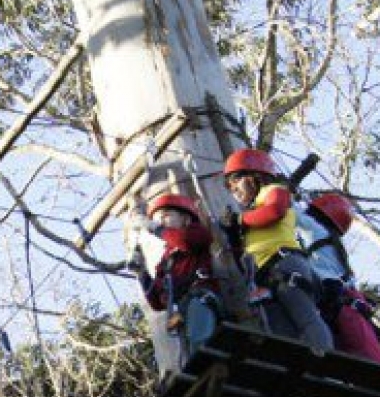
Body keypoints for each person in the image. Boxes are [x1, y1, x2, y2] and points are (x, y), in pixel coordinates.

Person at [221, 148, 333, 351]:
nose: (233, 188)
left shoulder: (274, 191)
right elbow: (241, 256)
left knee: (304, 317)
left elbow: (275, 211)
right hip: (264, 275)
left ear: (256, 175)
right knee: (282, 331)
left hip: (285, 263)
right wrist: (231, 232)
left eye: (237, 180)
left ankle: (325, 359)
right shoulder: (252, 213)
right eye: (229, 186)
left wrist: (240, 220)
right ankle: (296, 370)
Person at [135, 193, 223, 364]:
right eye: (158, 218)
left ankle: (204, 365)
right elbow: (157, 302)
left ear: (186, 218)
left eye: (167, 215)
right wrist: (142, 273)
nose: (161, 221)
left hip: (200, 299)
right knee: (187, 355)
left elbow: (186, 242)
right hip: (180, 311)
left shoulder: (196, 233)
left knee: (200, 343)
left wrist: (155, 228)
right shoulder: (166, 261)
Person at [295, 191, 380, 363]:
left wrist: (275, 191)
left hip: (341, 303)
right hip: (344, 303)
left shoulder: (316, 231)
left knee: (364, 358)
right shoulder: (330, 242)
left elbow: (292, 214)